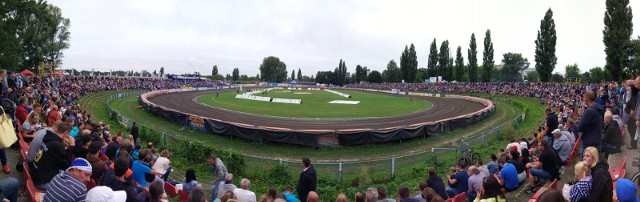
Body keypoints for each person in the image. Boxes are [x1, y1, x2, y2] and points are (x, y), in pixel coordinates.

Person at [32, 120, 74, 190]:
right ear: (66, 133)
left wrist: (62, 145)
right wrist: (71, 146)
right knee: (69, 189)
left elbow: (53, 155)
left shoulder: (49, 137)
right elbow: (67, 164)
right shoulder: (57, 145)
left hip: (35, 173)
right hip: (42, 181)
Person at [578, 90, 604, 157]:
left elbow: (580, 128)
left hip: (589, 142)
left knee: (585, 165)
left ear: (586, 99)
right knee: (595, 163)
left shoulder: (589, 111)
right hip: (597, 140)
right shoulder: (599, 107)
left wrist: (582, 116)